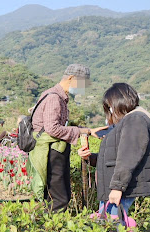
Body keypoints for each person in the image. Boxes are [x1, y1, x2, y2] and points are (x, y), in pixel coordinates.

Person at [78, 83, 150, 222]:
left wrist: (117, 188)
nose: (110, 111)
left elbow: (128, 157)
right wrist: (90, 158)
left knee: (115, 229)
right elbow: (114, 157)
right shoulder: (129, 121)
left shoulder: (135, 119)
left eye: (110, 106)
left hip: (120, 189)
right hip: (115, 188)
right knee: (111, 227)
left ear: (119, 101)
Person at [28, 64, 104, 212]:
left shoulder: (59, 96)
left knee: (59, 196)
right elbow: (52, 128)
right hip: (50, 153)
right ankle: (52, 231)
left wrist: (87, 131)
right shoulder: (54, 98)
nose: (82, 88)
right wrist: (84, 131)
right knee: (58, 199)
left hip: (54, 151)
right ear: (71, 78)